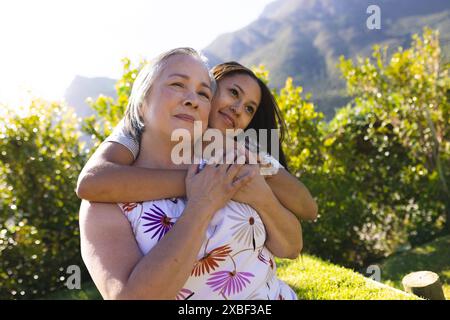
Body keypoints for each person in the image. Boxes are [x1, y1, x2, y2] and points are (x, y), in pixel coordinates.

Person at [79, 48, 314, 299]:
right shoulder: (112, 188)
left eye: (203, 93)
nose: (192, 99)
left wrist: (258, 190)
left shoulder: (233, 159)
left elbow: (299, 229)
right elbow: (91, 182)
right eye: (178, 84)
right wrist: (204, 193)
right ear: (141, 103)